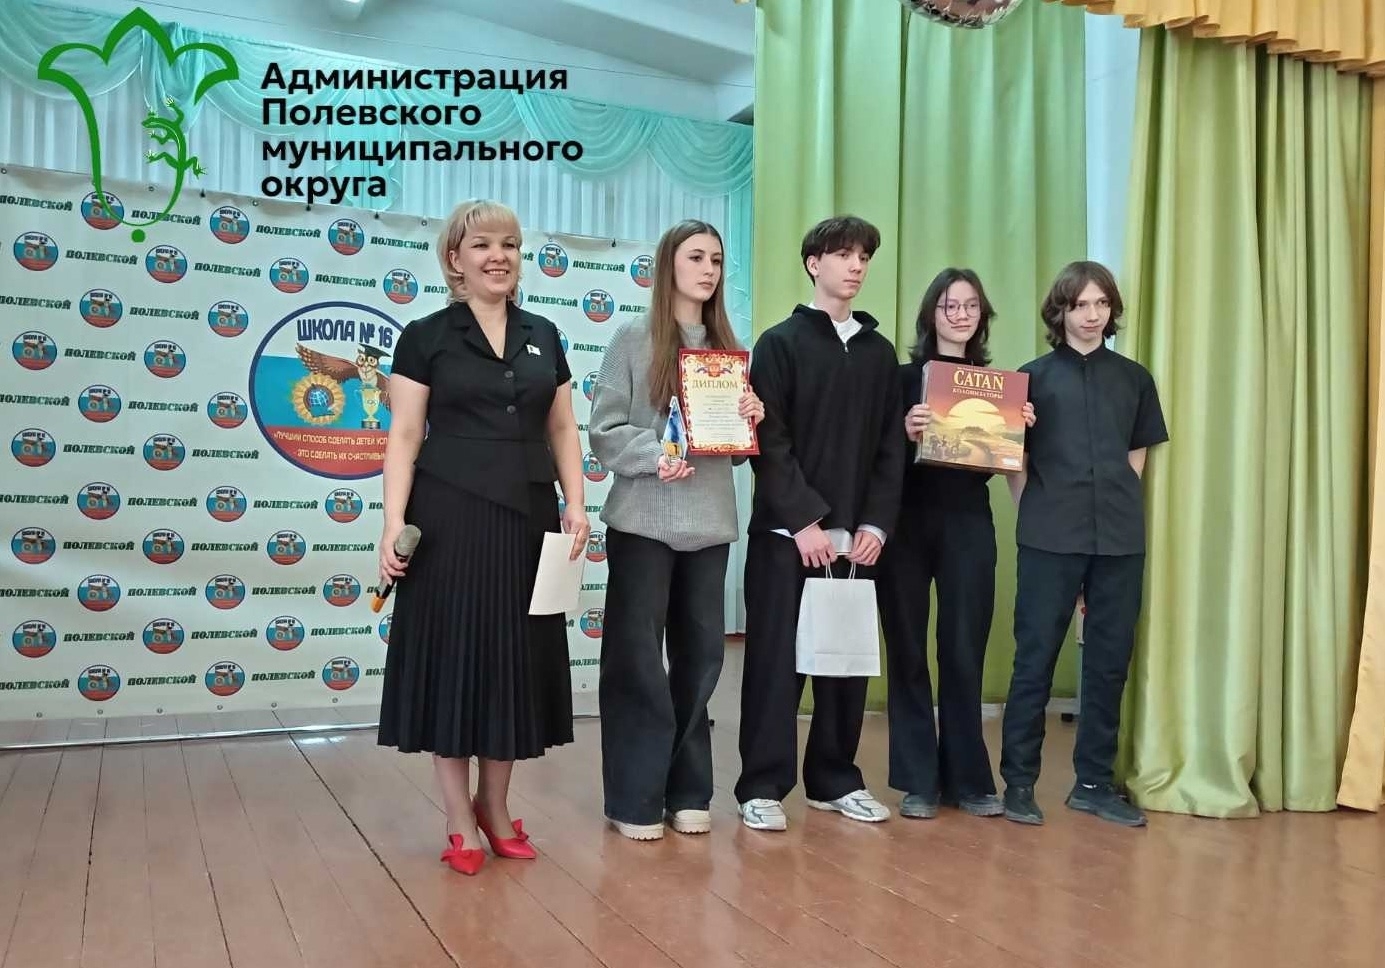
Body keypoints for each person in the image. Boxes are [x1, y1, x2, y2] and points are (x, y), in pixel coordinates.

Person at [375, 199, 590, 875]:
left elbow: (562, 427)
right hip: (448, 519)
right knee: (455, 662)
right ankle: (458, 819)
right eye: (483, 245)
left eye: (510, 245)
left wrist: (577, 503)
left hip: (529, 519)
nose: (499, 256)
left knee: (512, 665)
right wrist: (392, 523)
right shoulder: (425, 336)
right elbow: (404, 435)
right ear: (454, 259)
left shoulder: (544, 333)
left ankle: (495, 809)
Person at [588, 219, 765, 840]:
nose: (708, 269)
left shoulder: (728, 351)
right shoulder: (631, 339)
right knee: (636, 660)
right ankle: (634, 798)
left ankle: (689, 791)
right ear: (669, 265)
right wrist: (653, 455)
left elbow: (735, 453)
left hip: (709, 525)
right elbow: (604, 432)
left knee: (703, 659)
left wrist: (749, 420)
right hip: (642, 523)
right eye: (696, 257)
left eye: (716, 259)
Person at [734, 214, 905, 831]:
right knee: (775, 666)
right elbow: (768, 439)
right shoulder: (779, 344)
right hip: (787, 539)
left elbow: (890, 448)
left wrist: (875, 527)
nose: (856, 266)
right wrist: (803, 520)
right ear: (814, 263)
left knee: (844, 665)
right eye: (843, 255)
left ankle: (835, 780)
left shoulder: (879, 353)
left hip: (856, 542)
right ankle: (761, 786)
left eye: (864, 256)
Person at [998, 260, 1168, 828]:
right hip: (1049, 536)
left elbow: (1136, 458)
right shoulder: (1030, 379)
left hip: (1119, 539)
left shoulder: (1135, 379)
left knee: (1109, 661)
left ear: (1111, 309)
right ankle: (1019, 783)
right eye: (1080, 305)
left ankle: (1093, 783)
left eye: (1101, 304)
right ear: (1061, 312)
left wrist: (1113, 509)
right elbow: (1013, 463)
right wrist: (1037, 514)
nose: (1092, 315)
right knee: (1035, 659)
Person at [877, 268, 1035, 821]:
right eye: (950, 305)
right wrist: (904, 429)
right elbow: (873, 453)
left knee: (964, 649)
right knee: (907, 649)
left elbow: (1006, 465)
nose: (961, 314)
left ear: (982, 315)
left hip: (968, 522)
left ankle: (969, 778)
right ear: (931, 314)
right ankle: (918, 780)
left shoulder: (1001, 387)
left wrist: (1018, 431)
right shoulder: (902, 380)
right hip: (904, 523)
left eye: (970, 305)